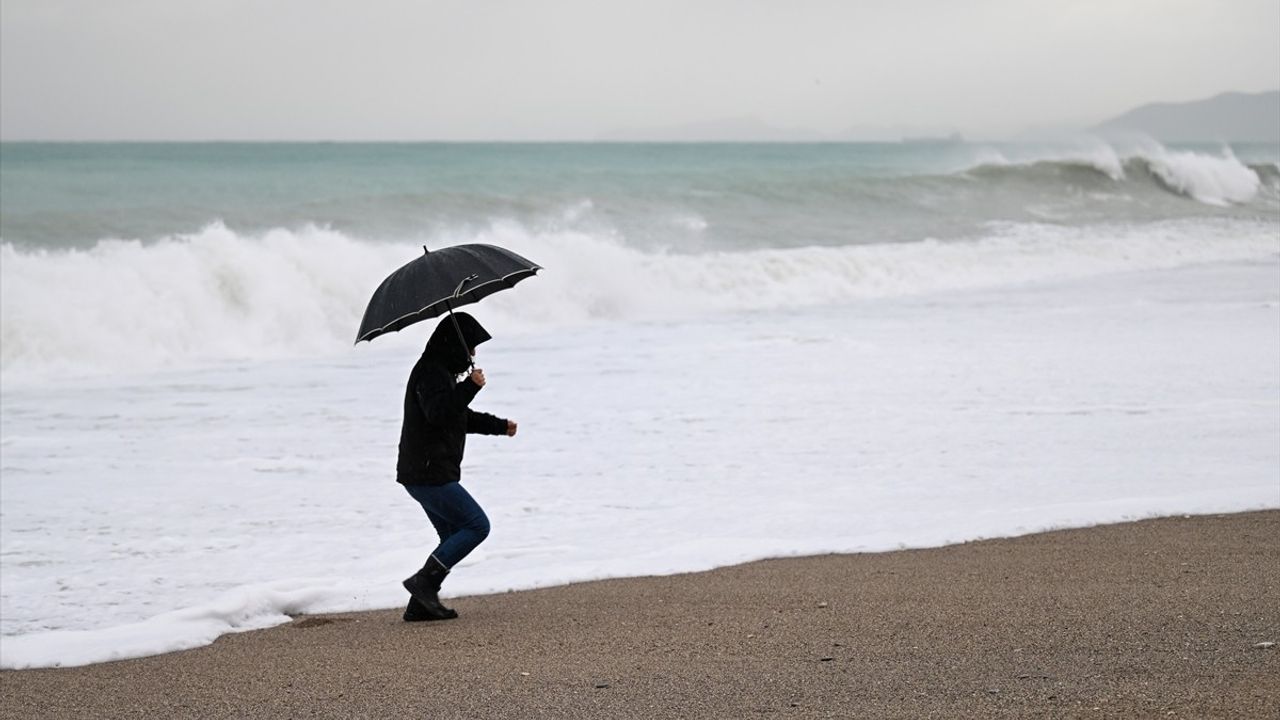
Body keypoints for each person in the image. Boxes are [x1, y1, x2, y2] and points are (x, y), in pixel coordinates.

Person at [396, 312, 517, 622]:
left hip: (426, 471)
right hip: (428, 472)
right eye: (471, 346)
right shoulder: (430, 373)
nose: (473, 354)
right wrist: (471, 387)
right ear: (454, 344)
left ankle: (419, 604)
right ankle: (422, 583)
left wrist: (500, 426)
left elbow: (457, 416)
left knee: (451, 534)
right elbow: (439, 413)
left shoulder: (442, 373)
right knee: (477, 526)